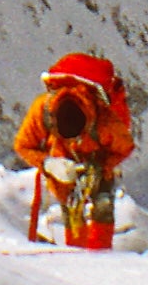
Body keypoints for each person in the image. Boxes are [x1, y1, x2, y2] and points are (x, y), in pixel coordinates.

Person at [17, 50, 132, 250]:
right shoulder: (41, 111)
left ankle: (100, 252)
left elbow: (125, 147)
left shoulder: (104, 120)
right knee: (71, 208)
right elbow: (23, 145)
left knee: (103, 205)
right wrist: (48, 163)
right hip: (60, 162)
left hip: (96, 161)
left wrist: (101, 167)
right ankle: (77, 252)